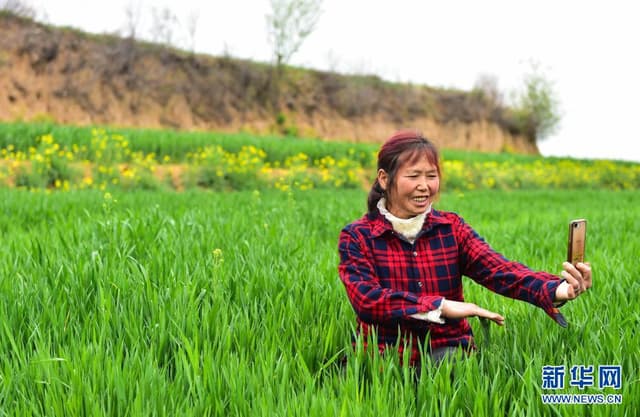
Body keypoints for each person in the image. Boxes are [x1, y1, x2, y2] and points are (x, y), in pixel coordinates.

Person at [337, 129, 592, 366]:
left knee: (453, 374)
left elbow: (500, 271)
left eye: (431, 176)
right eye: (413, 176)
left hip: (446, 348)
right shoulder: (358, 236)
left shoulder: (451, 228)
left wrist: (558, 289)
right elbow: (367, 300)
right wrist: (440, 306)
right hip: (384, 353)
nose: (424, 186)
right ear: (384, 179)